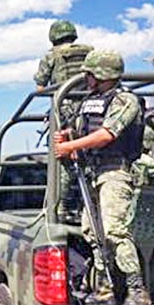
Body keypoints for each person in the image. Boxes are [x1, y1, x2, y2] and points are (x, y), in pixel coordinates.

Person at [54, 49, 153, 305]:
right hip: (92, 173)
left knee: (114, 232)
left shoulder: (125, 100)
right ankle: (105, 289)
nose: (86, 78)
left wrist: (70, 146)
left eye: (89, 73)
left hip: (114, 172)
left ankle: (137, 292)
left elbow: (107, 134)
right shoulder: (91, 101)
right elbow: (85, 130)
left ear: (101, 74)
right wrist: (69, 135)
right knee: (92, 232)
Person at [35, 20, 94, 220]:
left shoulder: (52, 55)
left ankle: (59, 209)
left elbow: (41, 87)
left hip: (65, 109)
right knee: (90, 156)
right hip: (91, 109)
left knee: (63, 159)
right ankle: (89, 205)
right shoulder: (91, 52)